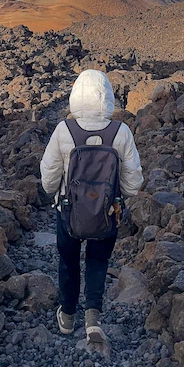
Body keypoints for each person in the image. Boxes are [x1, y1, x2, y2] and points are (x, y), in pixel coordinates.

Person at [40, 69, 143, 343]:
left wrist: (52, 191)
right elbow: (133, 182)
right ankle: (93, 318)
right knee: (98, 262)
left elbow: (49, 174)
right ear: (107, 97)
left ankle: (68, 315)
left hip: (68, 213)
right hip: (107, 215)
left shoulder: (64, 130)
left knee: (69, 262)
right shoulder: (121, 132)